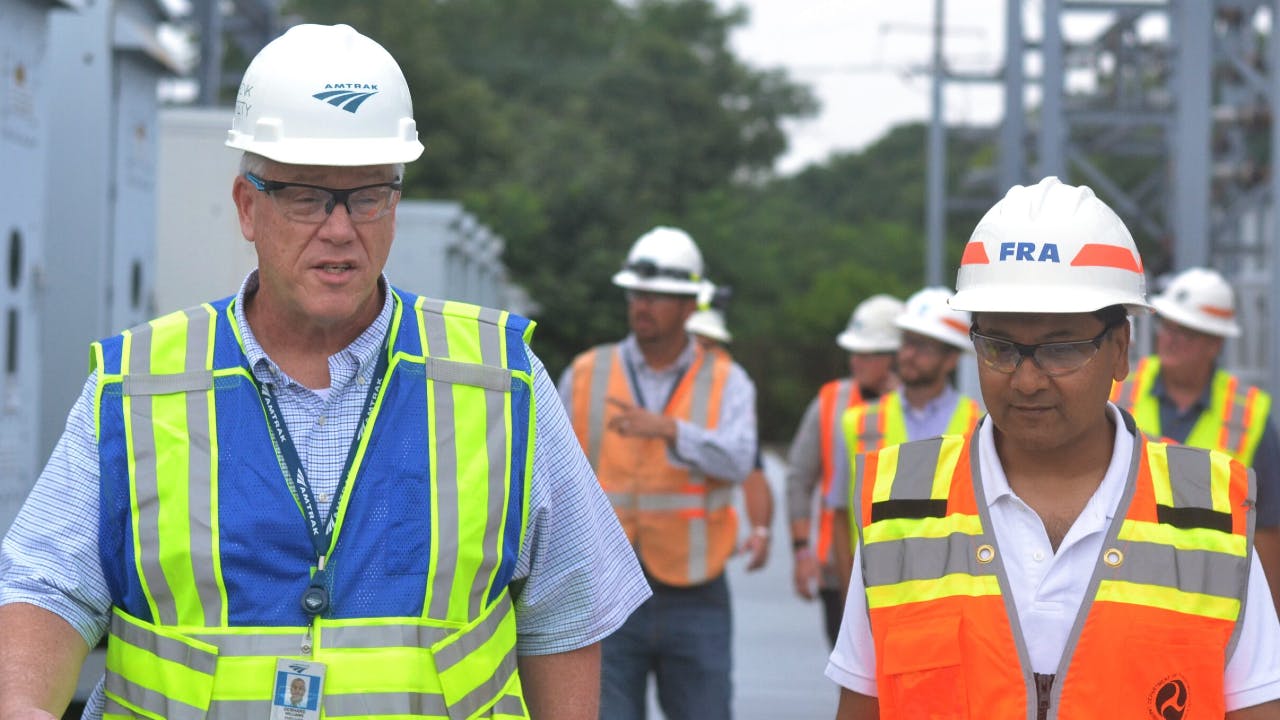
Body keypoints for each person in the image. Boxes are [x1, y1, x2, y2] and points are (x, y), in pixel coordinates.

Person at [0, 24, 649, 720]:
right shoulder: (138, 384)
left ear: (394, 204)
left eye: (367, 196)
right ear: (248, 207)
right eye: (306, 197)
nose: (340, 229)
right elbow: (46, 584)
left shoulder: (500, 381)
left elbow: (565, 611)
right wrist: (25, 703)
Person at [827, 176, 1280, 719]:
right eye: (999, 348)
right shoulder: (901, 509)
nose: (1026, 381)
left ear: (1120, 350)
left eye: (1061, 349)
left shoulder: (1210, 518)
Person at [559, 226, 757, 720]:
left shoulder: (728, 379)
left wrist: (672, 431)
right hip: (605, 588)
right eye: (636, 294)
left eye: (658, 296)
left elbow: (739, 460)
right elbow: (548, 473)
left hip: (695, 591)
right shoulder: (585, 373)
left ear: (690, 306)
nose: (642, 305)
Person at [1111, 266, 1280, 611]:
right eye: (1168, 326)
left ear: (1215, 344)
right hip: (1125, 593)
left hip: (1212, 602)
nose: (1171, 339)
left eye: (1187, 332)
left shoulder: (1249, 416)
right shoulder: (1118, 393)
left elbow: (1266, 528)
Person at [826, 286, 982, 593]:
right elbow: (839, 514)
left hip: (951, 597)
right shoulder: (858, 422)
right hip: (877, 597)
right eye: (907, 342)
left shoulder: (979, 426)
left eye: (923, 347)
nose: (909, 354)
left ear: (951, 359)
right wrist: (850, 601)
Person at [784, 293, 904, 647]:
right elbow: (798, 478)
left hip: (909, 572)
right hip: (839, 572)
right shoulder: (831, 402)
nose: (855, 361)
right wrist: (801, 551)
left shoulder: (921, 412)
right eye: (853, 352)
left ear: (895, 357)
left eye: (867, 353)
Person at [686, 302, 774, 571]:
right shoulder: (654, 379)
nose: (699, 351)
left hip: (701, 549)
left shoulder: (729, 384)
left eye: (707, 344)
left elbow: (752, 468)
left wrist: (760, 531)